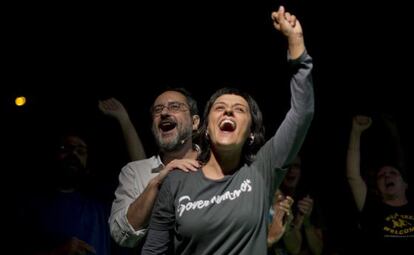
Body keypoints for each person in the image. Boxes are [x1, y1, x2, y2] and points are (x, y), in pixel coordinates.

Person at [142, 5, 314, 254]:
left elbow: (302, 114)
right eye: (220, 107)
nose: (229, 111)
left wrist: (296, 43)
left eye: (240, 110)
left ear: (251, 133)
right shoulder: (177, 182)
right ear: (207, 130)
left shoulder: (262, 170)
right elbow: (153, 250)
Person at [22, 98, 145, 255]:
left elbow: (143, 177)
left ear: (88, 165)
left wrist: (124, 120)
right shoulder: (33, 205)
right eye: (66, 148)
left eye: (80, 150)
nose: (73, 153)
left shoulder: (101, 205)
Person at [108, 88, 201, 248]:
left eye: (175, 107)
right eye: (158, 110)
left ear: (194, 122)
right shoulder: (135, 172)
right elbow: (121, 235)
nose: (164, 112)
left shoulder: (216, 164)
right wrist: (157, 182)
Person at [346, 115, 413, 254]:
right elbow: (353, 176)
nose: (387, 176)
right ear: (378, 189)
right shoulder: (371, 208)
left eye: (393, 173)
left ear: (405, 184)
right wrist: (356, 132)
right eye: (381, 176)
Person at [268, 156, 324, 255]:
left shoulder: (307, 201)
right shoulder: (269, 197)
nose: (291, 170)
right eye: (287, 166)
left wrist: (306, 221)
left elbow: (318, 250)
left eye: (296, 166)